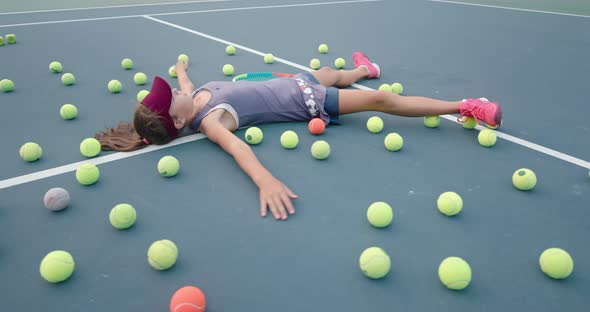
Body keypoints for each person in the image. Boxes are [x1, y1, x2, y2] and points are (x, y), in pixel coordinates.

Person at [95, 52, 502, 221]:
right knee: (381, 101)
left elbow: (186, 84)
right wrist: (265, 180)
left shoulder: (193, 98)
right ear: (180, 122)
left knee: (344, 74)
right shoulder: (212, 121)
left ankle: (366, 68)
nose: (177, 89)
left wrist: (183, 70)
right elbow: (237, 149)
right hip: (307, 102)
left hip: (290, 80)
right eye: (172, 98)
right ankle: (465, 106)